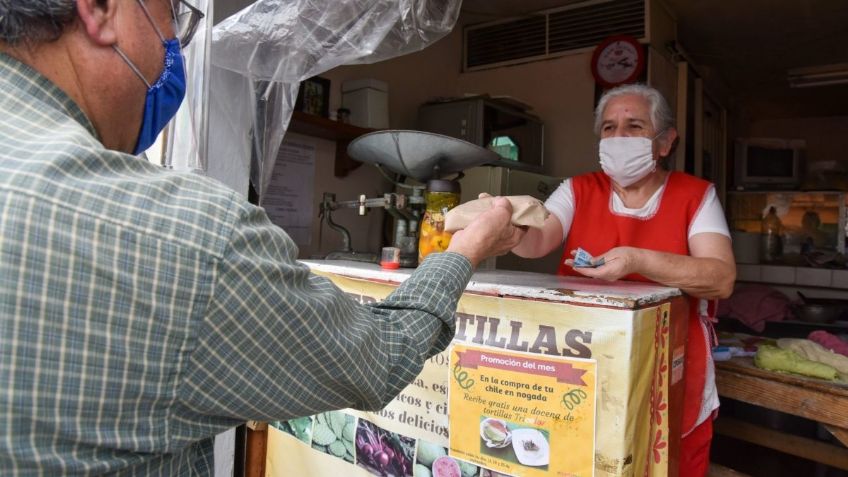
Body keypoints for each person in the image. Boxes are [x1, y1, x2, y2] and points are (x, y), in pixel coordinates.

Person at [0, 1, 525, 474]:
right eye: (173, 20)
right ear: (99, 8)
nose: (172, 52)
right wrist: (467, 249)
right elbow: (378, 359)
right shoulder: (187, 237)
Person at [512, 83, 736, 476]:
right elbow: (538, 239)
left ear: (664, 142)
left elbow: (720, 277)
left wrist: (636, 259)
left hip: (673, 367)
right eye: (609, 128)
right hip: (585, 363)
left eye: (634, 126)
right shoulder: (578, 189)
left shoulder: (696, 195)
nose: (619, 137)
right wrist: (508, 228)